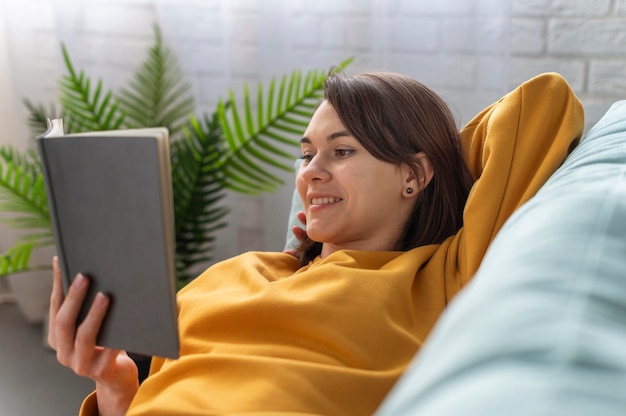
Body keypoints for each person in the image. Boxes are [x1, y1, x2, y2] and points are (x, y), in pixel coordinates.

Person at [48, 69, 583, 416]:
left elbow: (544, 103)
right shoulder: (238, 273)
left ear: (414, 175)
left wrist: (433, 165)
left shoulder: (437, 276)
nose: (311, 174)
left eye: (343, 152)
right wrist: (116, 383)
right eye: (307, 156)